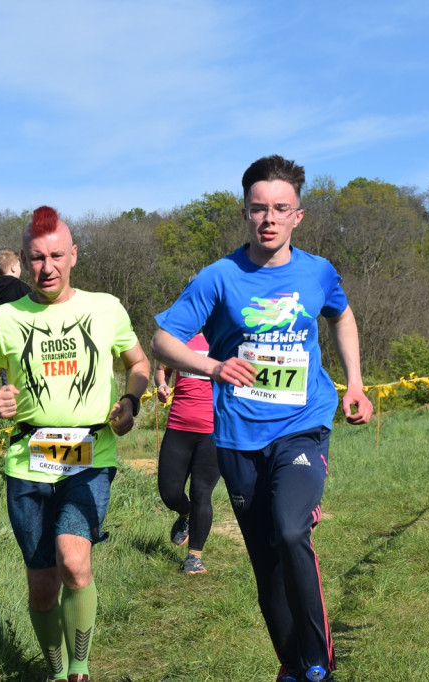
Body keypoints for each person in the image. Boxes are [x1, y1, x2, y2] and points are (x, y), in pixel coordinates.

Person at [150, 155, 373, 682]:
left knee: (292, 530)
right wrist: (212, 365)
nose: (268, 218)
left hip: (303, 424)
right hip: (237, 436)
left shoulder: (318, 272)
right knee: (265, 559)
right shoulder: (219, 277)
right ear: (245, 213)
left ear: (298, 215)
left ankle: (319, 662)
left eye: (280, 208)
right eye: (258, 209)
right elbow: (162, 339)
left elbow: (341, 314)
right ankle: (291, 665)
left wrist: (356, 382)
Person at [0, 205, 150, 682]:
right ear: (25, 262)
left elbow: (139, 362)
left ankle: (80, 671)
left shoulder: (105, 307)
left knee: (74, 560)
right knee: (43, 586)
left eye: (54, 256)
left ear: (73, 256)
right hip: (27, 464)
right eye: (35, 259)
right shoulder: (5, 318)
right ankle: (54, 669)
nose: (45, 268)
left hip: (90, 456)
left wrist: (131, 400)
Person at [154, 332, 220, 575]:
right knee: (169, 492)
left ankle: (194, 558)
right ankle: (186, 513)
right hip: (178, 426)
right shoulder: (179, 338)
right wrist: (161, 384)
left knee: (202, 492)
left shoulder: (222, 336)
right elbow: (162, 369)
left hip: (213, 431)